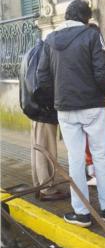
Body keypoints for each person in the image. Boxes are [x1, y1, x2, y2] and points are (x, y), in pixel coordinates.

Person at [37, 0, 105, 227]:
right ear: (86, 18)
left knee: (75, 160)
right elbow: (102, 72)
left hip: (65, 108)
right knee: (101, 156)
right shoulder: (91, 35)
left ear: (67, 16)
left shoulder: (50, 39)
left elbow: (42, 77)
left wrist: (57, 97)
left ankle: (81, 213)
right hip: (92, 106)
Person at [19, 40, 69, 202]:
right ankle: (47, 189)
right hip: (43, 111)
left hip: (35, 109)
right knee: (46, 150)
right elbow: (40, 84)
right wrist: (50, 106)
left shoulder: (32, 52)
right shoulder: (42, 54)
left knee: (39, 148)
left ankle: (40, 185)